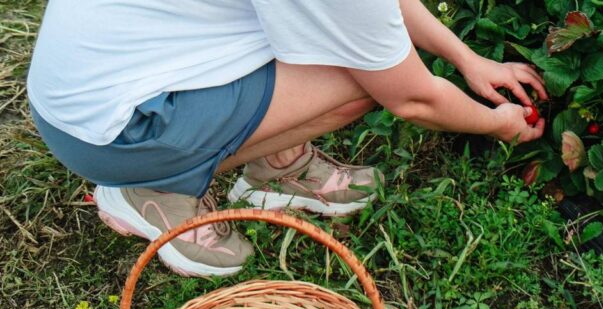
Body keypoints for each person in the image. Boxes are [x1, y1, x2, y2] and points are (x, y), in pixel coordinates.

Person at [27, 0, 548, 277]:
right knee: (360, 75)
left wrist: (467, 58)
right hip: (115, 131)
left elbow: (378, 7)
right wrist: (499, 124)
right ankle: (152, 187)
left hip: (78, 97)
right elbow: (412, 98)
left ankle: (275, 162)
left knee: (348, 44)